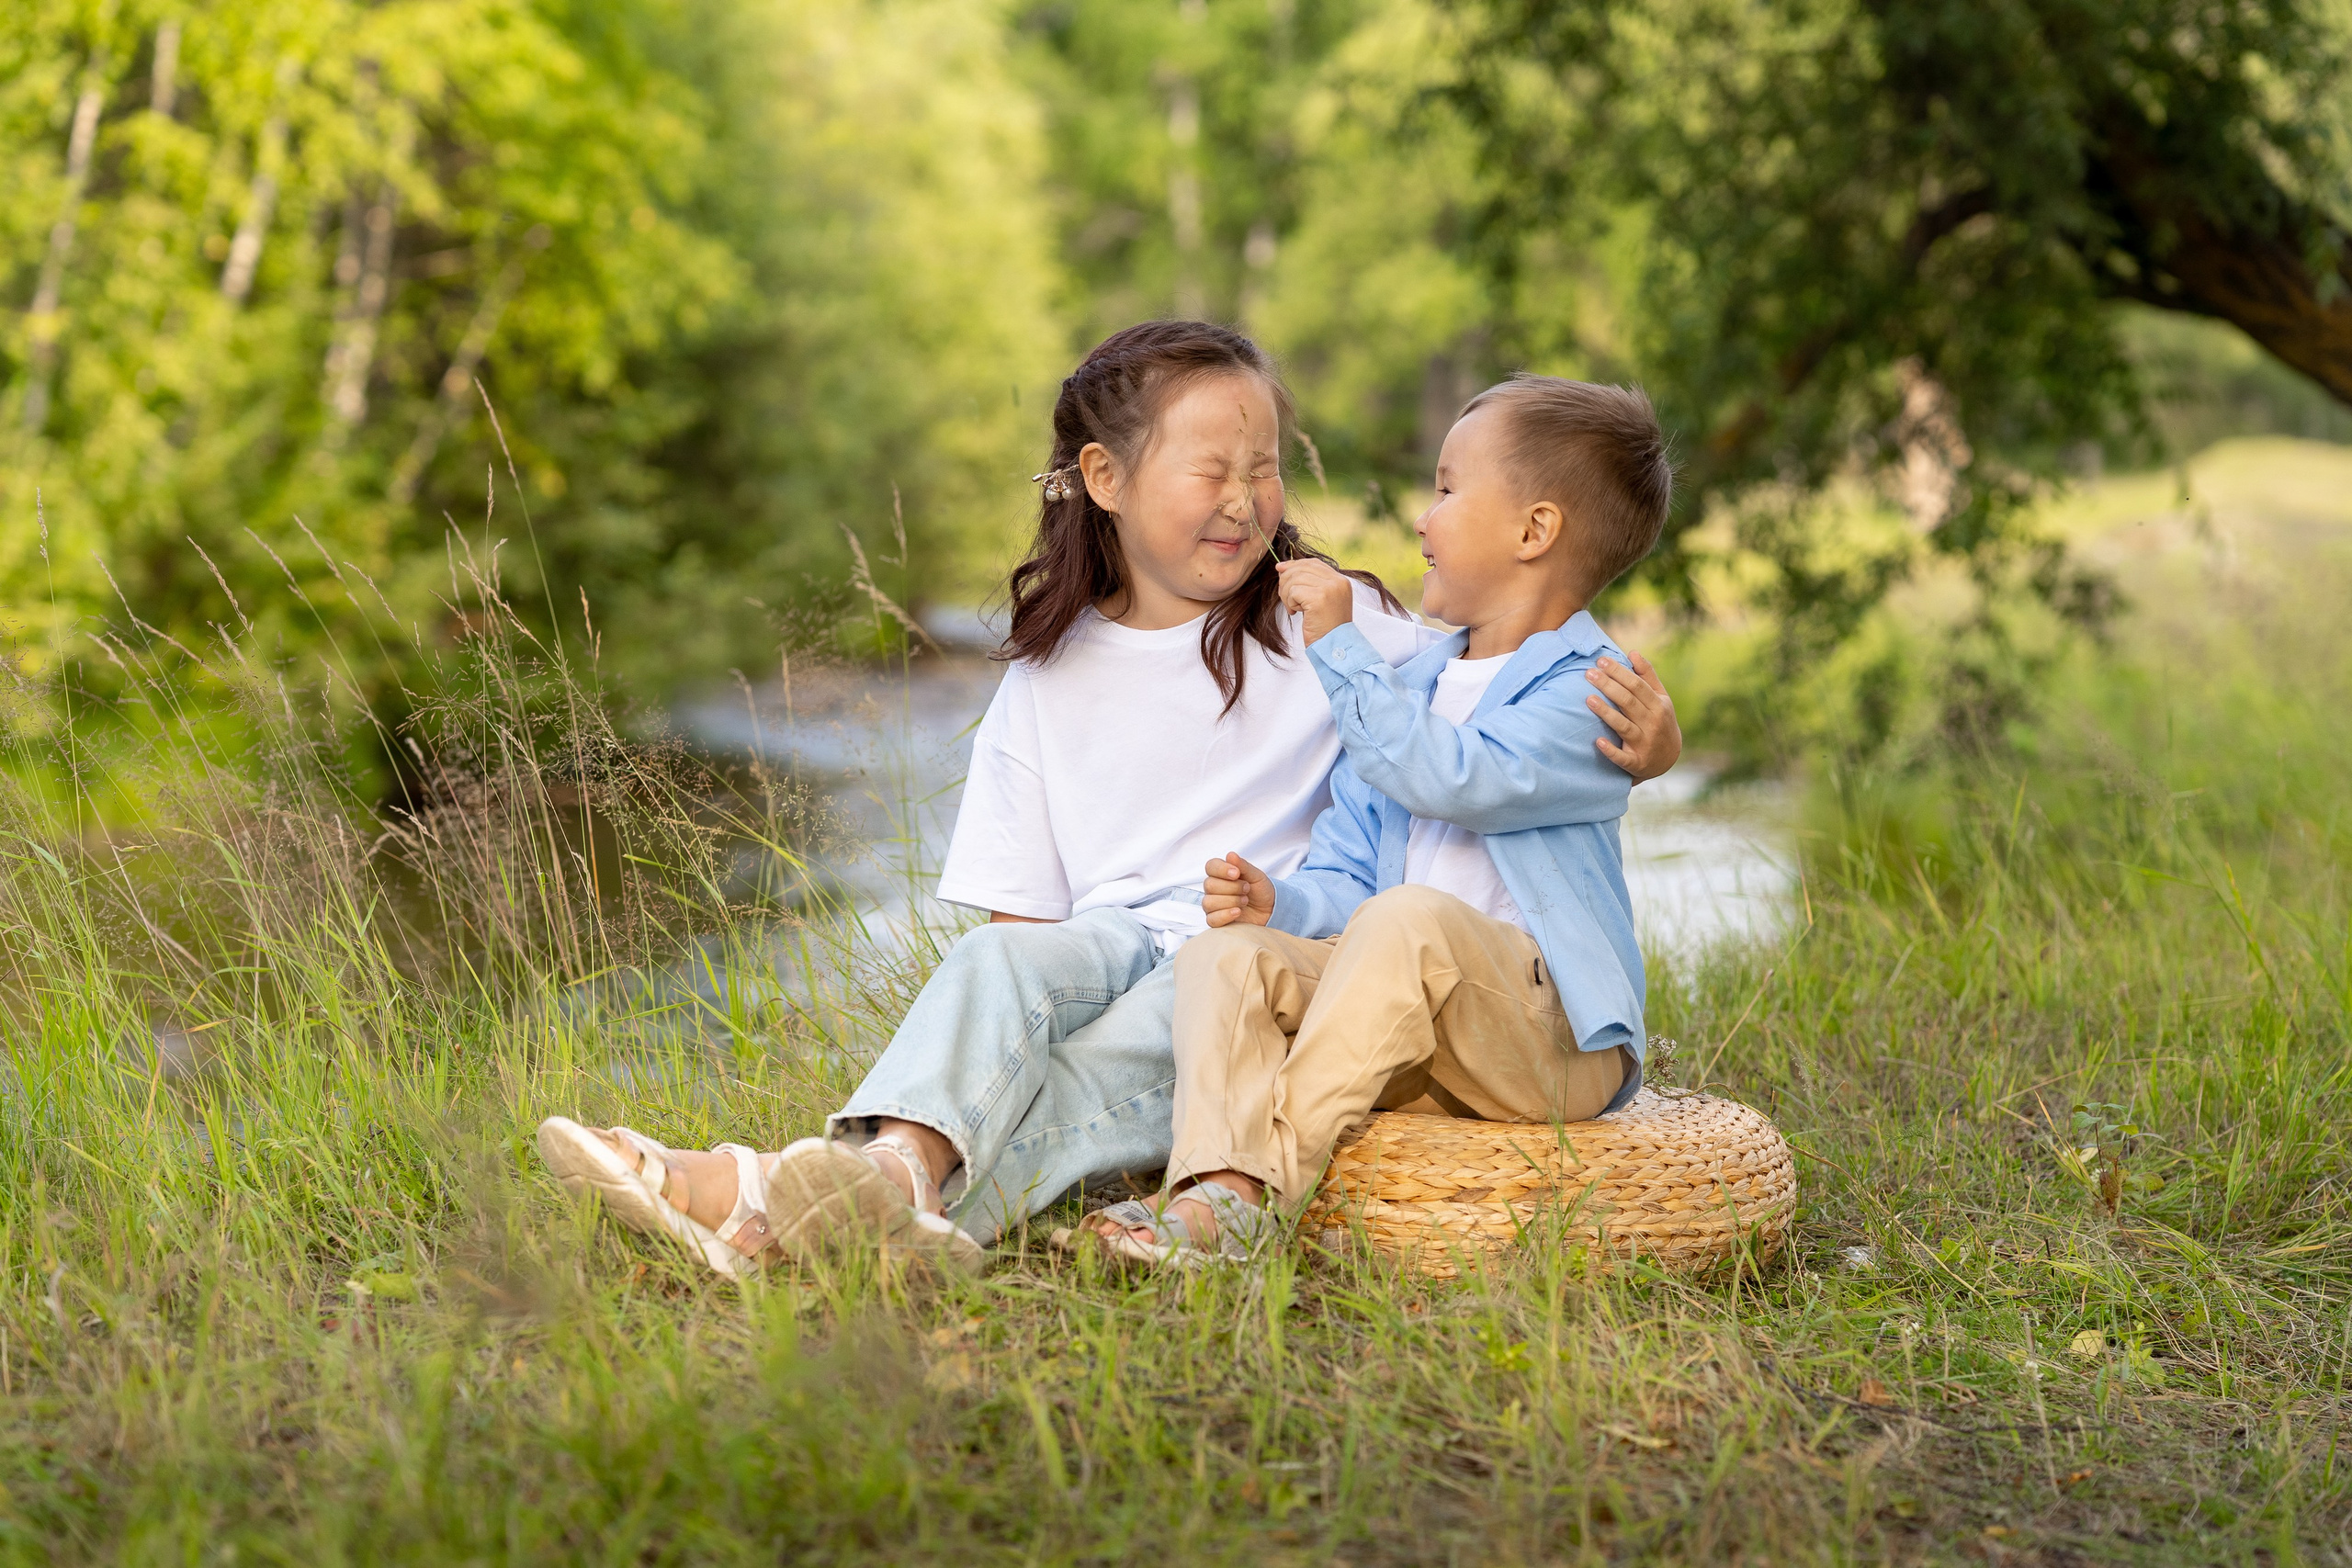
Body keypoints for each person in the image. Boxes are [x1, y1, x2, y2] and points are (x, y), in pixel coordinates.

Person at [536, 328, 1682, 1277]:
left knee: (1123, 1044)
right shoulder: (1042, 678)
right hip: (1112, 944)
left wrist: (1653, 747)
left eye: (1265, 468)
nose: (1245, 500)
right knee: (995, 975)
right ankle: (893, 1173)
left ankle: (756, 1199)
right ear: (1105, 480)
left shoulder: (1340, 627)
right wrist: (1009, 1045)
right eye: (1210, 471)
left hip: (1250, 971)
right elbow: (1020, 933)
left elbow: (1490, 699)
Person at [1077, 375, 1671, 1267]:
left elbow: (1451, 778)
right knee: (1227, 957)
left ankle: (1258, 1192)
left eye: (1445, 489)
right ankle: (1214, 1188)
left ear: (1533, 530)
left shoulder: (1591, 691)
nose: (1421, 520)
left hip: (1548, 1045)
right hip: (1422, 1035)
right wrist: (1280, 905)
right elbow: (1355, 882)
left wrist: (1338, 645)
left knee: (1411, 920)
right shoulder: (1417, 688)